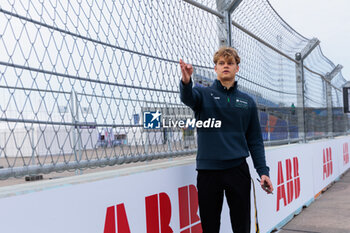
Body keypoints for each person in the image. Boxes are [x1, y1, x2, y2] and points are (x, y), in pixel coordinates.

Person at [179, 46, 273, 233]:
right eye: (221, 63)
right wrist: (186, 80)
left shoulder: (247, 102)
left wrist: (263, 171)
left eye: (230, 63)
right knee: (210, 227)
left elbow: (255, 140)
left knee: (241, 226)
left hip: (237, 170)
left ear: (237, 68)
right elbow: (188, 97)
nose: (226, 66)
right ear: (215, 68)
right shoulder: (203, 95)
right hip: (208, 172)